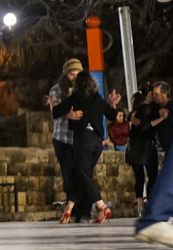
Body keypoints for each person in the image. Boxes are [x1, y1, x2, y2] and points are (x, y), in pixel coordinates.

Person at [51, 71, 121, 224]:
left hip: (83, 140)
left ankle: (101, 206)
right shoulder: (98, 99)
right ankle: (69, 209)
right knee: (83, 175)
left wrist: (52, 104)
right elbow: (113, 115)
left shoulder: (74, 99)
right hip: (97, 142)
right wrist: (112, 103)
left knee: (82, 173)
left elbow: (56, 112)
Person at [46, 59, 87, 220]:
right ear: (66, 74)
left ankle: (84, 210)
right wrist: (68, 115)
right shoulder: (57, 90)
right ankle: (74, 210)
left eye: (78, 74)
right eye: (72, 74)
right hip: (62, 139)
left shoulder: (85, 89)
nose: (75, 77)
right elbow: (55, 111)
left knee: (83, 176)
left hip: (80, 139)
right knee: (68, 176)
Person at [136, 81, 173, 245]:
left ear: (165, 95)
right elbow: (141, 119)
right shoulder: (154, 108)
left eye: (157, 93)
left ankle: (155, 216)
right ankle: (155, 217)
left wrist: (167, 116)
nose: (154, 96)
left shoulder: (171, 107)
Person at [127, 88, 162, 217]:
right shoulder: (148, 108)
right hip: (144, 145)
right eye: (153, 93)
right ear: (148, 94)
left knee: (141, 176)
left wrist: (130, 116)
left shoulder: (139, 106)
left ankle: (141, 203)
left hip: (135, 144)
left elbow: (131, 116)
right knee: (151, 175)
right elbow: (144, 126)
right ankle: (146, 203)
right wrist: (161, 119)